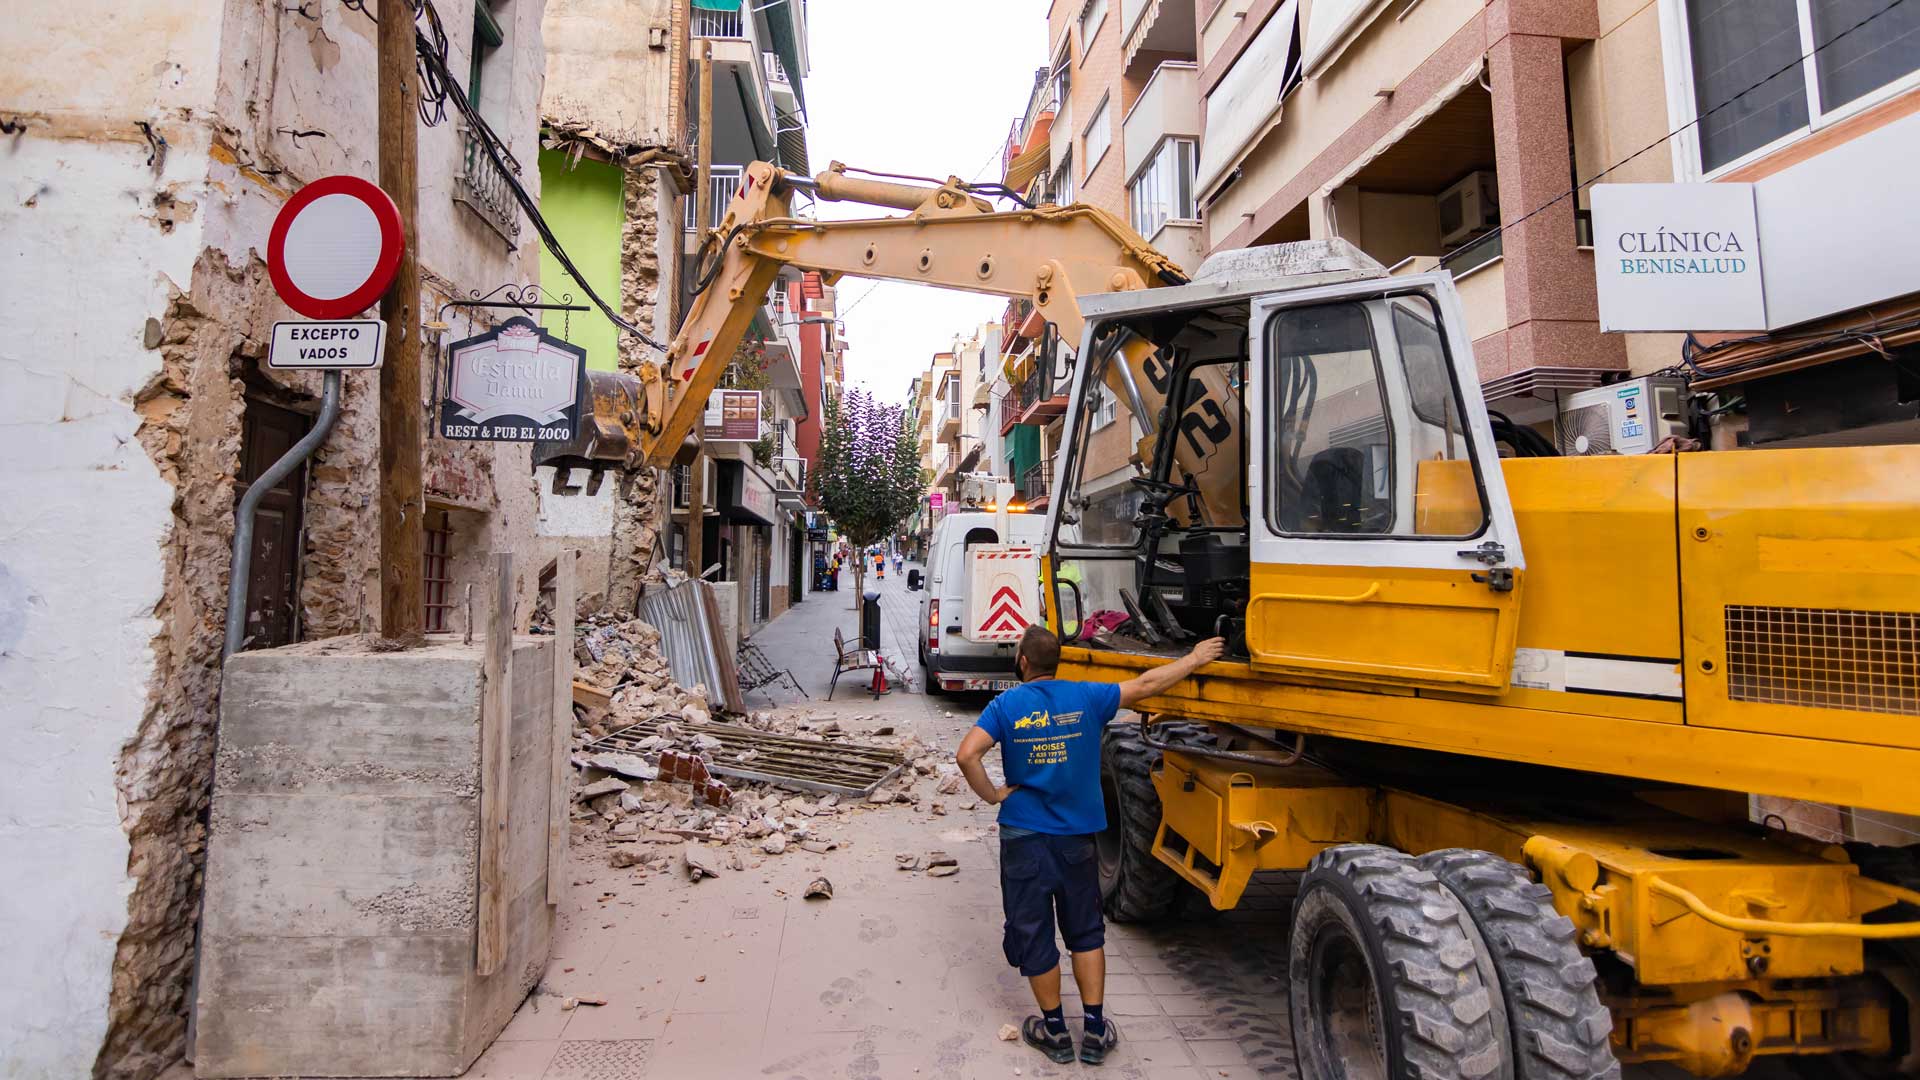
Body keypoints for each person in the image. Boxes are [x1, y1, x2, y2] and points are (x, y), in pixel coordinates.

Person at [955, 626, 1224, 1066]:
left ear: (1022, 662)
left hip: (1024, 837)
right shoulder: (1087, 697)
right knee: (1085, 933)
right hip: (1077, 840)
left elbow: (967, 755)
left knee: (1034, 931)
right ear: (1056, 661)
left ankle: (1055, 1031)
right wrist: (1193, 659)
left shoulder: (1005, 706)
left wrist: (994, 795)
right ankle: (1095, 1030)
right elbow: (1145, 685)